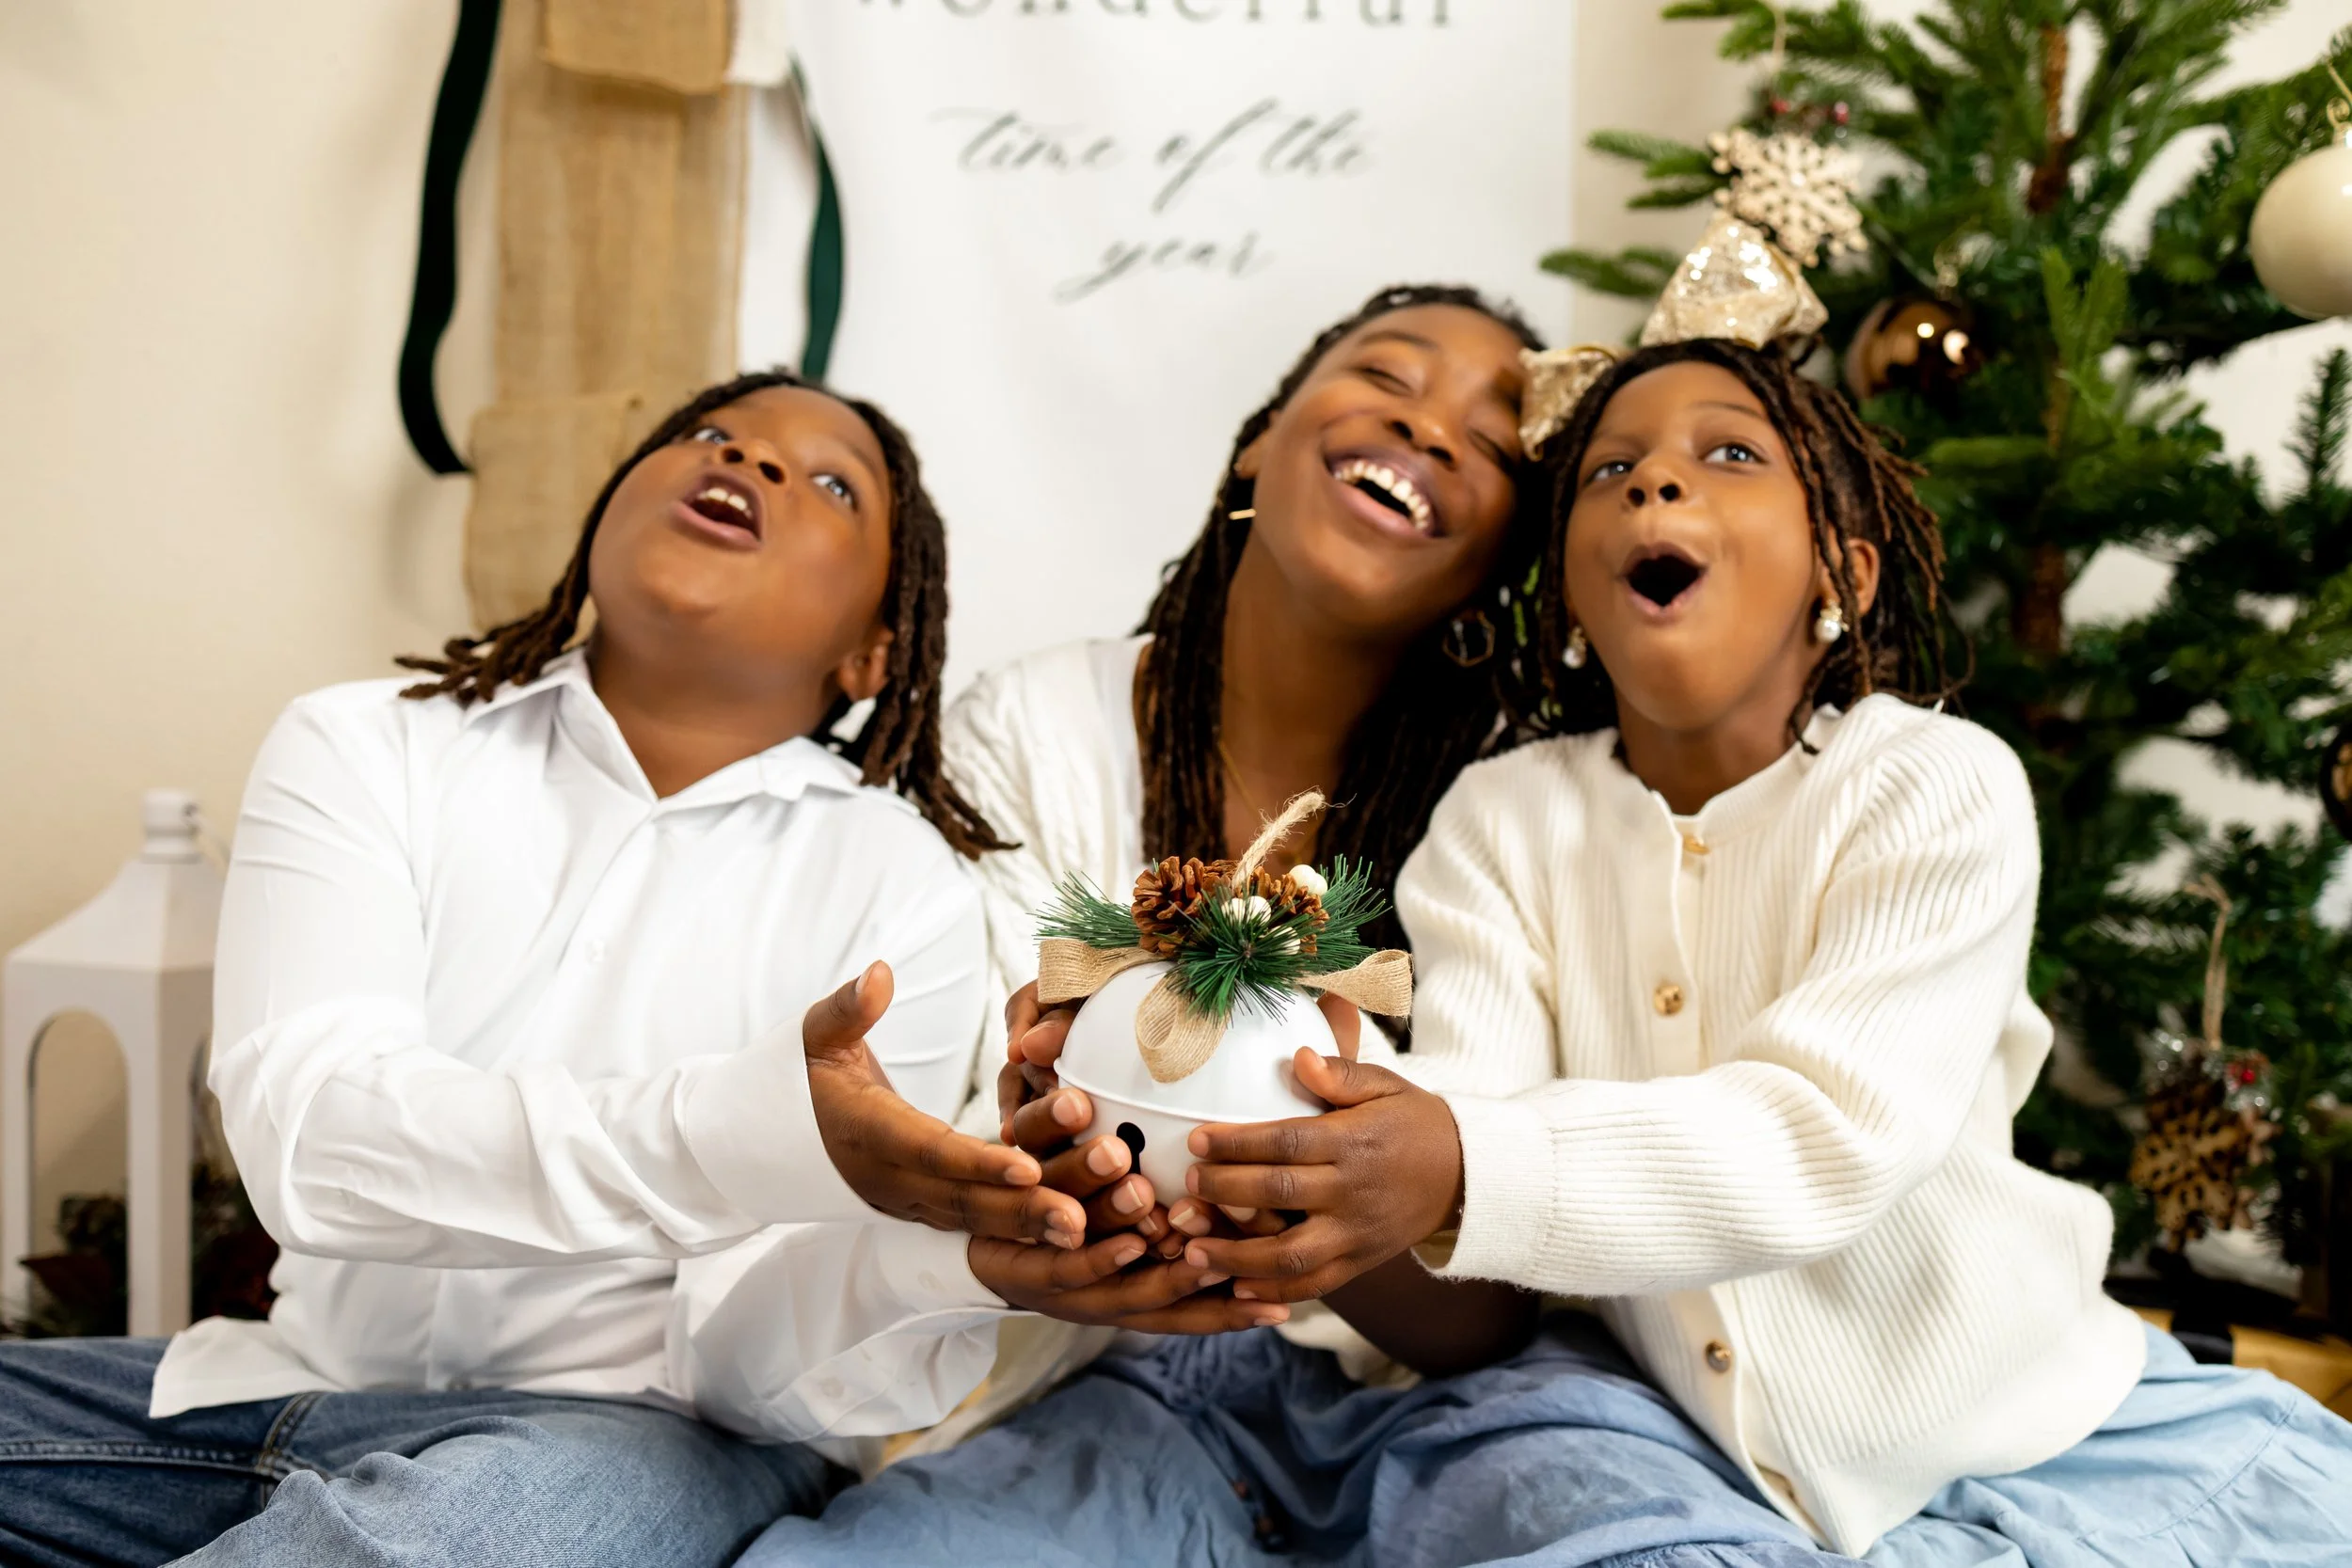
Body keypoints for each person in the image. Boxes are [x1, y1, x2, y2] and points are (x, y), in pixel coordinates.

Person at [1173, 305, 2352, 1562]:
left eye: (1729, 453)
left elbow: (1824, 1130)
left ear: (1843, 573)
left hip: (2054, 1429)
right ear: (1570, 585)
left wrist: (1460, 1157)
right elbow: (1476, 1206)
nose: (1657, 478)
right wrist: (1323, 1186)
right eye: (1611, 470)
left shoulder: (1932, 782)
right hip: (1687, 1453)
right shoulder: (1502, 817)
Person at [737, 288, 1848, 1567]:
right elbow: (961, 1138)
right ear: (1264, 438)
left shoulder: (1518, 812)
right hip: (1091, 1381)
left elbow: (1481, 1303)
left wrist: (1338, 1207)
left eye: (1491, 444)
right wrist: (1044, 1165)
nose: (1426, 427)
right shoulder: (1033, 728)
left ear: (1509, 559)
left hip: (1420, 1395)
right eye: (1387, 371)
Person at [0, 371, 1152, 1568]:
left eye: (827, 483)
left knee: (450, 1542)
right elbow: (313, 1138)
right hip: (279, 1382)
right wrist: (729, 1129)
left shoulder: (902, 886)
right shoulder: (365, 742)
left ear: (874, 651)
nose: (748, 461)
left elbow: (759, 1376)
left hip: (650, 1434)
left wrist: (953, 1241)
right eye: (712, 434)